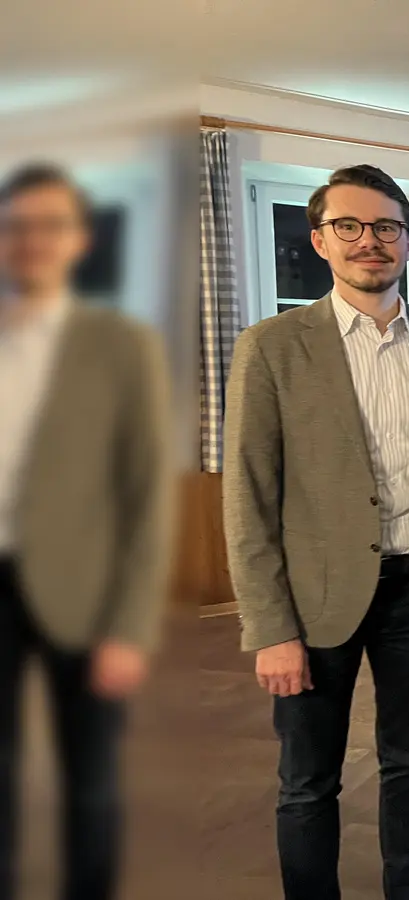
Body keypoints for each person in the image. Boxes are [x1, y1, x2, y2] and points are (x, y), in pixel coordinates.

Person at [224, 164, 409, 900]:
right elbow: (248, 495)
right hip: (313, 601)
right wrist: (268, 626)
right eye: (350, 226)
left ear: (408, 241)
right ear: (320, 240)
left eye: (386, 227)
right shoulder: (271, 346)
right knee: (307, 781)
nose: (369, 241)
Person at [0, 162, 174, 900]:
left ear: (78, 238)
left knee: (91, 781)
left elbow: (146, 494)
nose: (31, 240)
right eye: (16, 226)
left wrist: (130, 627)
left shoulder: (122, 345)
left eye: (50, 224)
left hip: (86, 587)